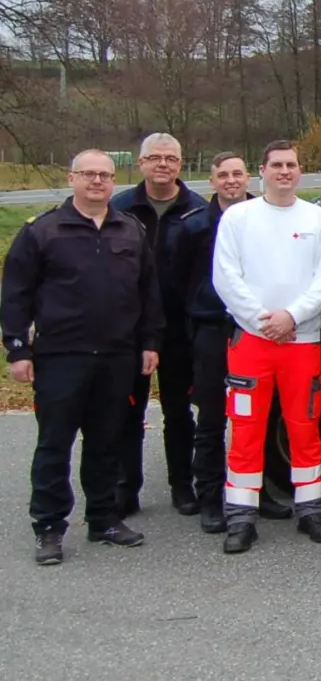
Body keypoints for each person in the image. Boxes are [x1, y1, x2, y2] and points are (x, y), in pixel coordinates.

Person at [4, 150, 161, 565]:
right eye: (88, 174)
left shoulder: (131, 230)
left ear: (113, 181)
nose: (97, 181)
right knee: (54, 445)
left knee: (107, 442)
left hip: (117, 356)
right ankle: (49, 527)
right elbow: (16, 293)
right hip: (61, 356)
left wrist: (150, 342)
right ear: (71, 178)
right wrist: (17, 349)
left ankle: (103, 518)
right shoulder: (43, 231)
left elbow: (148, 292)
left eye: (105, 175)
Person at [212, 140, 321, 554]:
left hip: (302, 341)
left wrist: (292, 317)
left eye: (292, 165)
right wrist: (262, 321)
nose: (285, 171)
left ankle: (312, 510)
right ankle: (241, 517)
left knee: (305, 426)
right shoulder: (238, 217)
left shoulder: (318, 219)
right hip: (251, 341)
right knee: (246, 428)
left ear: (300, 171)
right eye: (277, 165)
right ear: (262, 171)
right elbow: (225, 277)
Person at [172, 152, 291, 533]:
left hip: (258, 328)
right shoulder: (193, 226)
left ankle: (256, 492)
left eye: (237, 173)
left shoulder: (266, 218)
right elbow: (178, 284)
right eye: (223, 175)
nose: (231, 181)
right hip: (212, 330)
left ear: (249, 177)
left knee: (259, 417)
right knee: (211, 417)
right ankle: (210, 497)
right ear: (212, 181)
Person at [111, 133, 207, 517]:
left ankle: (182, 485)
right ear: (141, 163)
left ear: (180, 164)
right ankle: (126, 487)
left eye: (170, 158)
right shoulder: (120, 209)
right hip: (130, 329)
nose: (162, 164)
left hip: (179, 329)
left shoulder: (197, 211)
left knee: (178, 411)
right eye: (154, 158)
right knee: (128, 411)